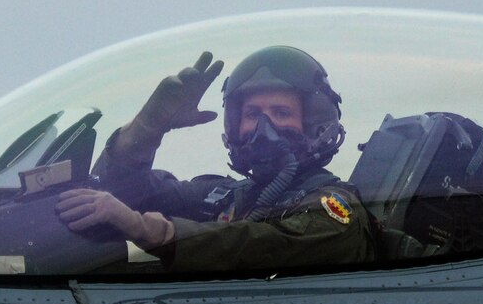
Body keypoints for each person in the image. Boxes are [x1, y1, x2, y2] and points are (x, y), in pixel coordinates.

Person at [55, 48, 377, 271]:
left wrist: (150, 231)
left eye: (281, 113)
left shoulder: (336, 207)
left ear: (312, 125)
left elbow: (259, 245)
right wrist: (147, 127)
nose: (264, 127)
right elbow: (121, 192)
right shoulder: (225, 196)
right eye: (252, 114)